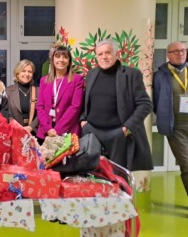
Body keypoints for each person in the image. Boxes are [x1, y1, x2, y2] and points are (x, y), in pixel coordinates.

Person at [80, 39, 153, 171]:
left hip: (117, 134)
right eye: (100, 54)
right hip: (92, 132)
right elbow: (86, 100)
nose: (104, 57)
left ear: (116, 53)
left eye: (107, 53)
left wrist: (127, 127)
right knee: (93, 175)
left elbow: (145, 104)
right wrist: (83, 120)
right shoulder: (91, 74)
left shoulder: (131, 74)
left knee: (119, 177)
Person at [153, 41, 188, 194]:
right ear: (168, 55)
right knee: (186, 163)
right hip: (176, 127)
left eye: (183, 50)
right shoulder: (160, 75)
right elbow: (155, 101)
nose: (180, 53)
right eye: (176, 51)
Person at [36, 46, 84, 142]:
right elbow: (40, 106)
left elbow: (75, 106)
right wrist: (47, 128)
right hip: (46, 131)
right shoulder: (44, 80)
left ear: (69, 61)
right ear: (52, 60)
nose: (61, 60)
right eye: (58, 56)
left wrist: (58, 130)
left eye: (65, 57)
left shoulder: (77, 79)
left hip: (67, 131)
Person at [6, 59, 39, 133]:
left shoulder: (38, 91)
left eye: (29, 72)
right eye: (23, 71)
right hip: (14, 132)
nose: (26, 74)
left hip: (34, 133)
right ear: (17, 74)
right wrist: (17, 128)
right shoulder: (8, 91)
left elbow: (41, 113)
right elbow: (7, 113)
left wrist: (31, 127)